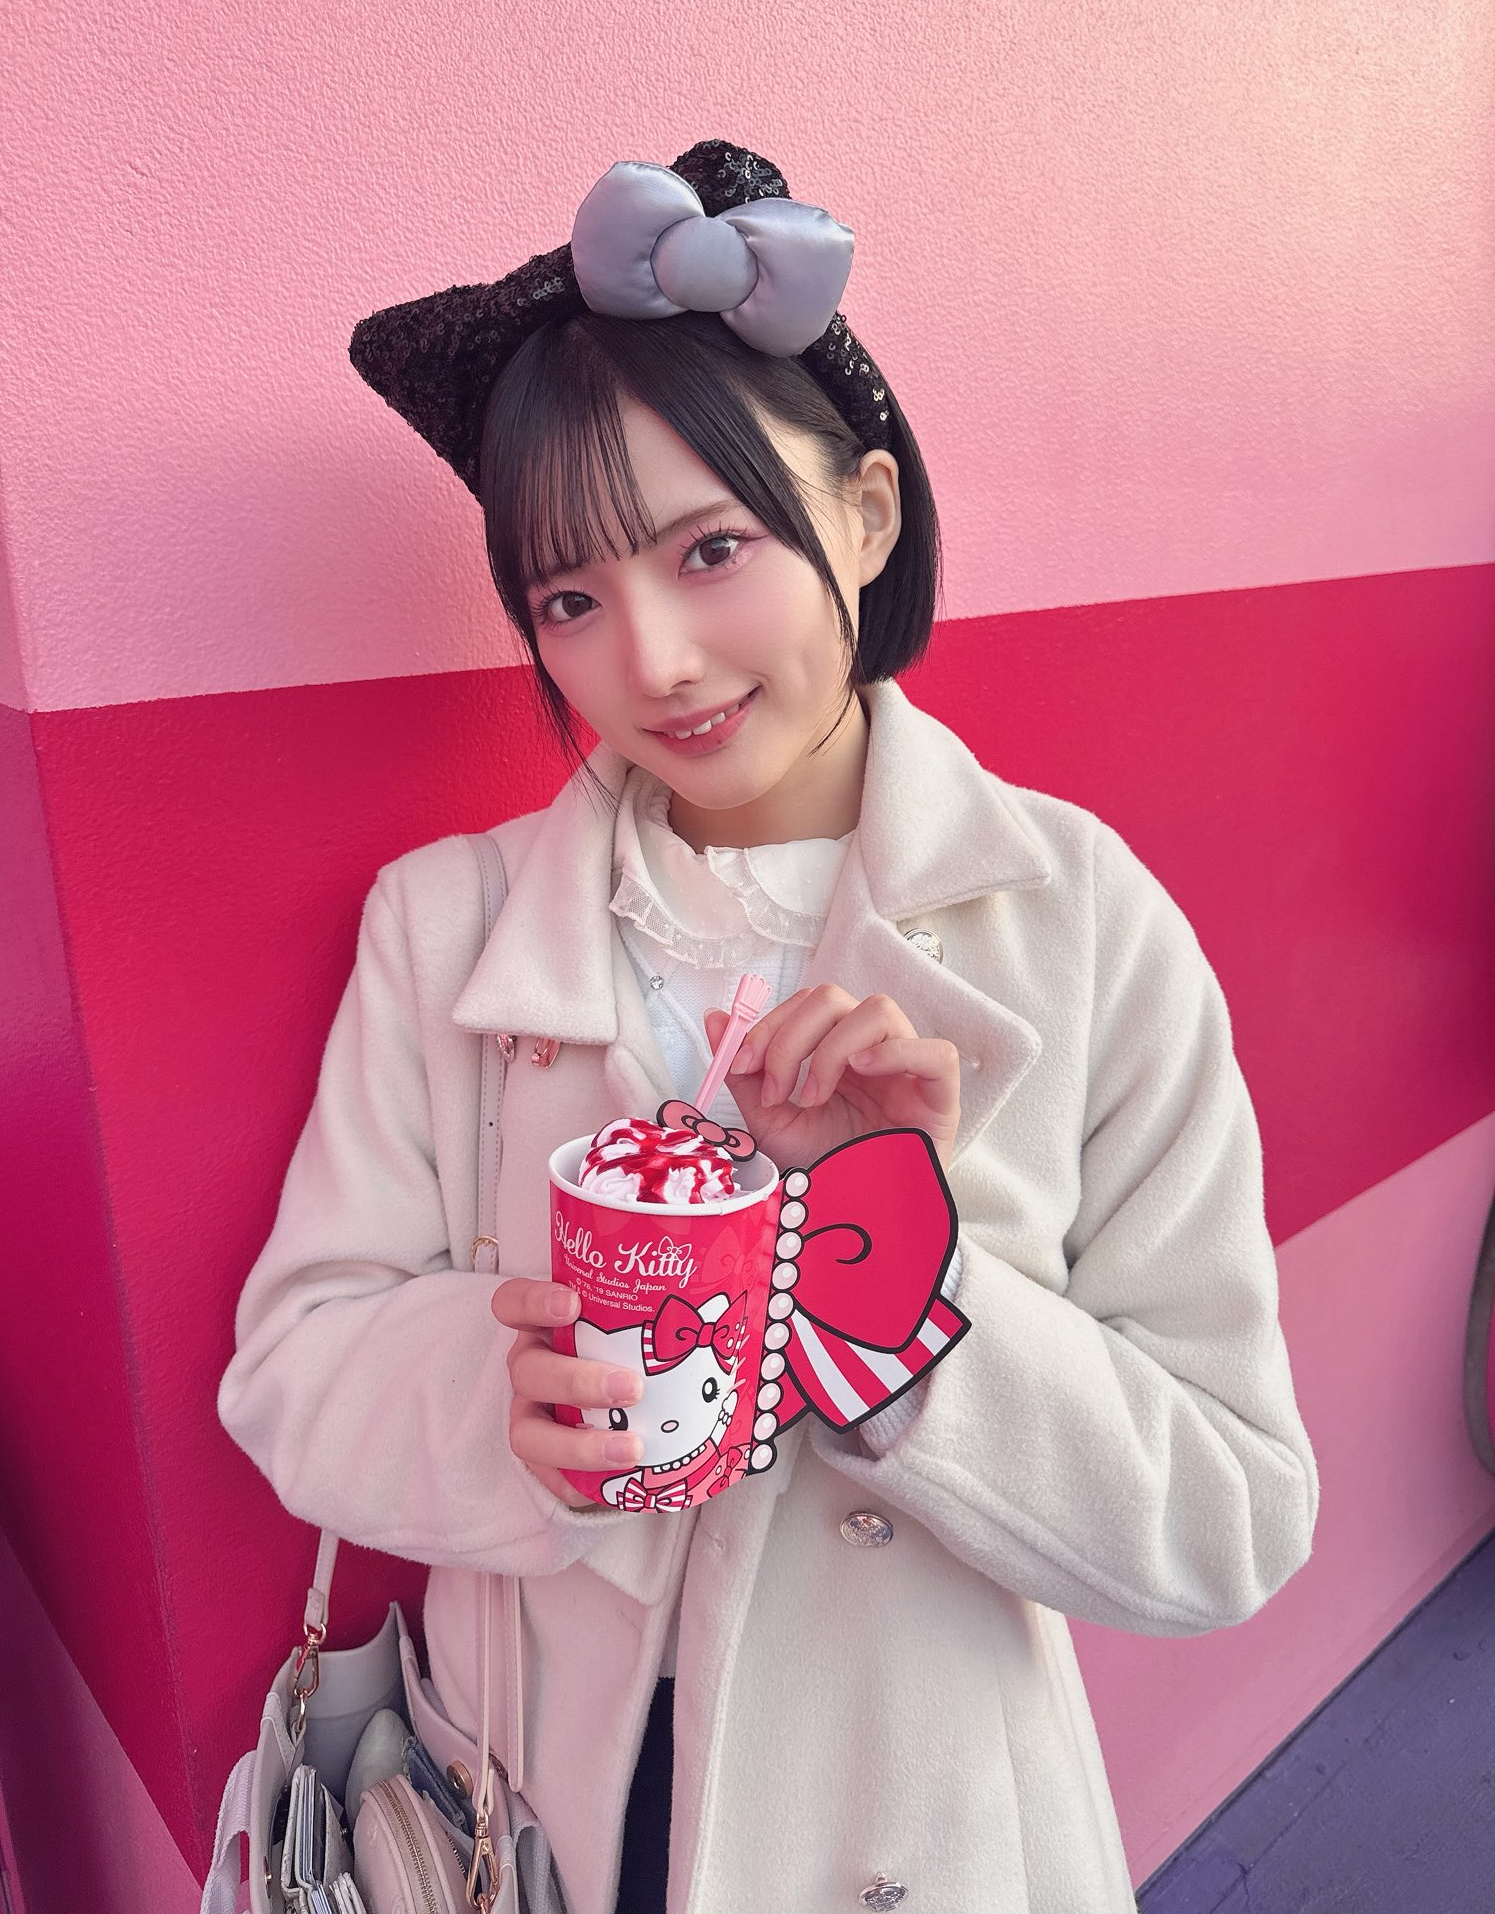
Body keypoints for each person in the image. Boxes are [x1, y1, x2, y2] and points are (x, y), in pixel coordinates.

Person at [217, 139, 1320, 1914]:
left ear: (866, 516)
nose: (651, 660)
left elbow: (1232, 1516)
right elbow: (291, 1366)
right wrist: (506, 1410)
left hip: (915, 1834)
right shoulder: (445, 927)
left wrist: (909, 1310)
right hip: (536, 1820)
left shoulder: (1082, 922)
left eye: (712, 549)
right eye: (571, 599)